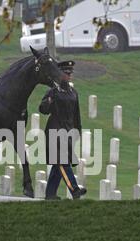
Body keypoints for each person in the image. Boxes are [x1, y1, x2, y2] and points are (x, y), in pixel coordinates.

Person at [39, 60, 87, 200]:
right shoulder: (53, 92)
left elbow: (76, 114)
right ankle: (74, 190)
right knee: (62, 161)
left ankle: (50, 194)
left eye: (70, 73)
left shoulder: (73, 92)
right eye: (66, 73)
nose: (69, 76)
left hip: (68, 131)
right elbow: (43, 110)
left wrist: (78, 130)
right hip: (54, 131)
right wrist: (48, 102)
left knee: (58, 165)